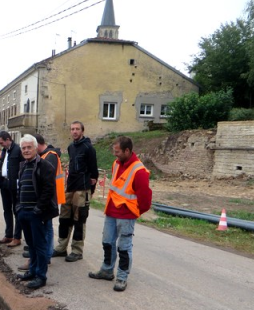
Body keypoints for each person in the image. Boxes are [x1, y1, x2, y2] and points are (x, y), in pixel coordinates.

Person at [89, 136, 152, 292]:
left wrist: (135, 211)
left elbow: (145, 199)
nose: (115, 155)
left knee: (124, 247)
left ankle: (122, 277)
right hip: (111, 211)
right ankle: (107, 270)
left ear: (127, 150)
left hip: (127, 215)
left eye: (117, 152)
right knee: (107, 242)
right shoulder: (116, 164)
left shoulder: (139, 171)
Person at [15, 134, 59, 290]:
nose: (26, 150)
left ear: (35, 148)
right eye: (23, 148)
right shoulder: (23, 166)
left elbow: (48, 190)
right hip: (24, 213)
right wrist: (19, 207)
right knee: (31, 245)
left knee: (40, 246)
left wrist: (38, 209)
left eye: (29, 147)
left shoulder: (45, 166)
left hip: (36, 214)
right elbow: (19, 189)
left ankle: (41, 276)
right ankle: (32, 271)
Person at [52, 121, 99, 262]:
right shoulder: (71, 147)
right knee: (64, 218)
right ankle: (61, 247)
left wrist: (90, 190)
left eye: (77, 129)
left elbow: (94, 172)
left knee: (79, 219)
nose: (74, 131)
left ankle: (77, 251)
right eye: (72, 129)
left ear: (82, 131)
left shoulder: (88, 148)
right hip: (70, 187)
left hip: (82, 189)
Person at [0, 131, 24, 248]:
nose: (0, 145)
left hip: (14, 185)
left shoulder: (18, 150)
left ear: (8, 139)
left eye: (2, 142)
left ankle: (17, 237)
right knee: (6, 210)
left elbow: (23, 166)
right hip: (4, 183)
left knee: (16, 210)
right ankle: (8, 235)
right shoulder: (4, 150)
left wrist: (20, 182)